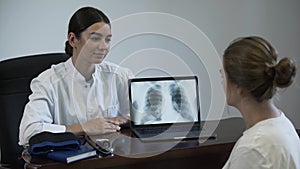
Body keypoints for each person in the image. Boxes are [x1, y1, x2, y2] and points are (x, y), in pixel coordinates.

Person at [19, 6, 133, 146]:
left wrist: (123, 119)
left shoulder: (119, 76)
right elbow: (29, 132)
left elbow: (143, 117)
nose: (104, 47)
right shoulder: (47, 82)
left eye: (107, 40)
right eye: (95, 38)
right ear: (73, 40)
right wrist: (83, 128)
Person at [221, 36, 300, 169]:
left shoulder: (253, 148)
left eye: (222, 76)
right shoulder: (283, 124)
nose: (222, 83)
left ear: (239, 87)